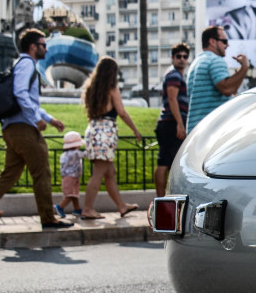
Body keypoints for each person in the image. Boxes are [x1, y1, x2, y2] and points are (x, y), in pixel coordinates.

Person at [0, 29, 72, 230]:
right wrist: (36, 120)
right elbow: (20, 93)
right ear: (33, 47)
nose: (46, 48)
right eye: (43, 45)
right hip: (23, 128)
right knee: (41, 171)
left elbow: (29, 100)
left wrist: (49, 119)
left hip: (12, 127)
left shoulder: (20, 64)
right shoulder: (27, 64)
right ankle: (48, 218)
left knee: (9, 174)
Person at [79, 57, 143, 220]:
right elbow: (121, 111)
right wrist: (135, 130)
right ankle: (87, 209)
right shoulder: (112, 88)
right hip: (106, 132)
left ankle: (121, 206)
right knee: (99, 173)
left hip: (93, 130)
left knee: (110, 172)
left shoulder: (91, 88)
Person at [186, 26, 249, 134]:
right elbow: (227, 88)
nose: (227, 45)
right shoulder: (215, 60)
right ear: (212, 41)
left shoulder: (196, 63)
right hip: (212, 130)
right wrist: (244, 68)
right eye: (224, 41)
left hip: (194, 131)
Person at [155, 42, 191, 197]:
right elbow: (172, 99)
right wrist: (180, 124)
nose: (182, 59)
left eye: (185, 56)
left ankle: (162, 197)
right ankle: (162, 198)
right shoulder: (174, 75)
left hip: (168, 122)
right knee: (168, 162)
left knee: (165, 160)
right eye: (178, 56)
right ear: (172, 58)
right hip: (171, 122)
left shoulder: (175, 75)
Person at [55, 131, 84, 218]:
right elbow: (86, 154)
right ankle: (60, 207)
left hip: (67, 177)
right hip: (72, 177)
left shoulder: (65, 154)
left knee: (74, 194)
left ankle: (77, 209)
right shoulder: (76, 153)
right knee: (70, 195)